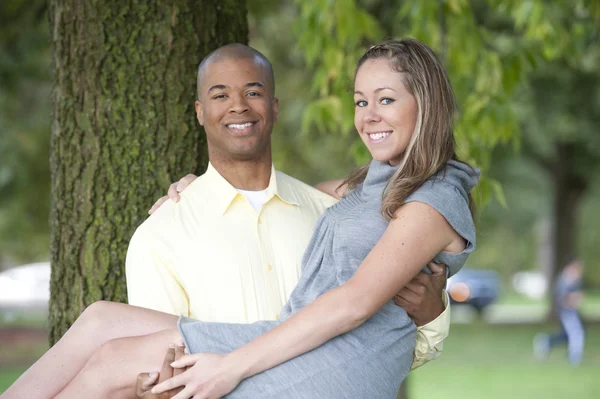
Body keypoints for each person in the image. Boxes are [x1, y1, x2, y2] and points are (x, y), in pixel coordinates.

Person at [1, 38, 478, 399]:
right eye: (360, 101)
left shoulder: (434, 199)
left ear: (426, 103)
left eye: (386, 99)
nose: (369, 115)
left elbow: (353, 304)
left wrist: (229, 367)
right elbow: (311, 196)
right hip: (297, 341)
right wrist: (203, 187)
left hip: (338, 361)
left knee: (110, 364)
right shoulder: (373, 186)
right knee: (101, 321)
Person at [534, 257, 585, 366]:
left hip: (571, 312)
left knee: (566, 335)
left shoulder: (574, 279)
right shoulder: (565, 279)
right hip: (566, 312)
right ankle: (574, 357)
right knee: (576, 333)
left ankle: (546, 342)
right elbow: (563, 298)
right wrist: (574, 298)